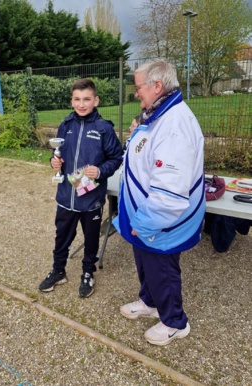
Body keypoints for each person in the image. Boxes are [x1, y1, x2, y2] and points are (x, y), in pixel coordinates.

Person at [113, 59, 205, 345]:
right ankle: (150, 302)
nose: (135, 92)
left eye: (138, 86)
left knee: (161, 268)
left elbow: (170, 191)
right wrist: (137, 133)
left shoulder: (174, 126)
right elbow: (146, 156)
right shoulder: (157, 116)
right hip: (144, 214)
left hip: (160, 221)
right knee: (145, 262)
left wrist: (145, 222)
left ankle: (175, 322)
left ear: (157, 85)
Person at [39, 78, 123, 298]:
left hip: (91, 198)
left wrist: (101, 171)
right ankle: (58, 271)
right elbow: (58, 154)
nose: (81, 104)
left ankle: (88, 272)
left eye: (87, 99)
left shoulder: (103, 128)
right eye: (77, 99)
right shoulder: (66, 125)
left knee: (91, 238)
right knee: (62, 236)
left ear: (96, 100)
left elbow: (116, 157)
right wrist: (53, 162)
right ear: (72, 101)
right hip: (66, 196)